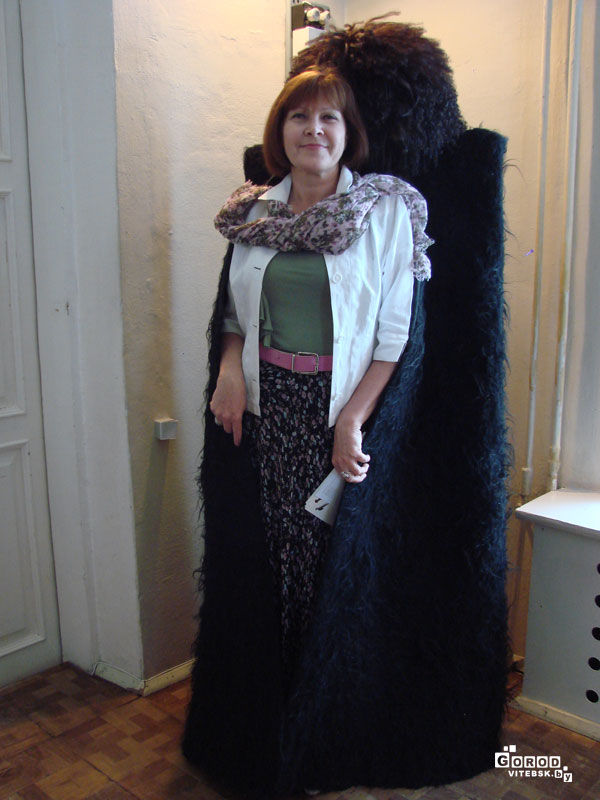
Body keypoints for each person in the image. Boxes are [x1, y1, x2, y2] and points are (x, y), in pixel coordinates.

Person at [207, 65, 432, 691]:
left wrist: (352, 421)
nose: (314, 129)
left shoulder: (385, 210)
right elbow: (234, 314)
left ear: (347, 131)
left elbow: (395, 336)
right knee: (280, 545)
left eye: (328, 116)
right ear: (280, 132)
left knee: (333, 553)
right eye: (299, 116)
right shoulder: (253, 213)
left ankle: (328, 694)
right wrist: (228, 371)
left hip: (341, 405)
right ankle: (282, 691)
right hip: (271, 402)